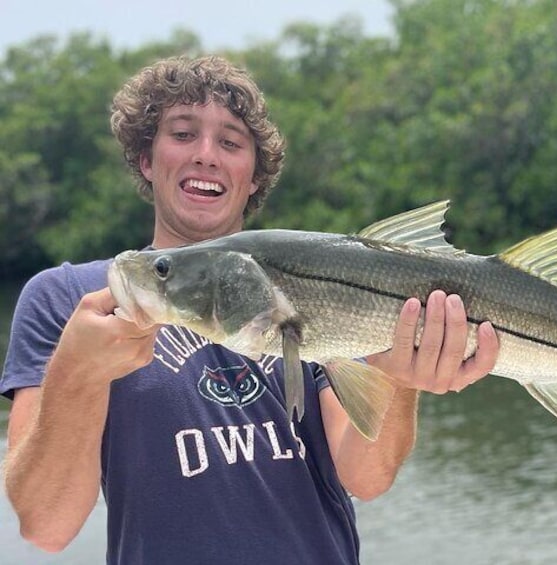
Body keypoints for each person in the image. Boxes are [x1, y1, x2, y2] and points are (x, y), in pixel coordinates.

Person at [1, 55, 499, 564]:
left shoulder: (315, 282)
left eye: (231, 142)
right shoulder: (68, 298)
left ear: (254, 176)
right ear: (146, 159)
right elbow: (46, 525)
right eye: (181, 133)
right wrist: (77, 376)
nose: (206, 155)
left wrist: (400, 378)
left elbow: (366, 478)